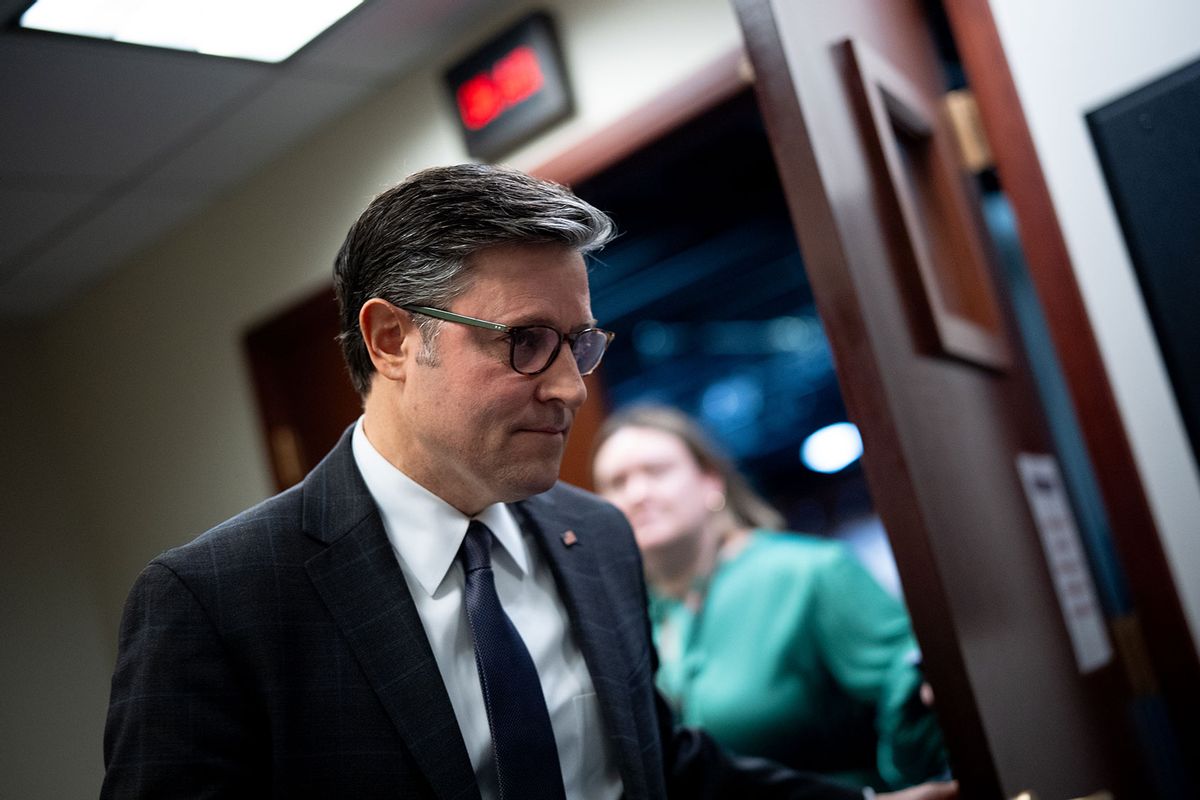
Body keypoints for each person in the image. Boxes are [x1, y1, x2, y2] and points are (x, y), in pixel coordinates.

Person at [101, 164, 956, 800]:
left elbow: (664, 764)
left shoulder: (599, 537)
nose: (569, 385)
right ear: (394, 339)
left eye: (578, 343)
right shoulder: (218, 600)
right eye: (524, 342)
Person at [591, 405, 950, 793]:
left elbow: (918, 703)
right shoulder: (626, 617)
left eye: (656, 471)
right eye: (616, 483)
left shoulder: (809, 573)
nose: (637, 493)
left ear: (711, 482)